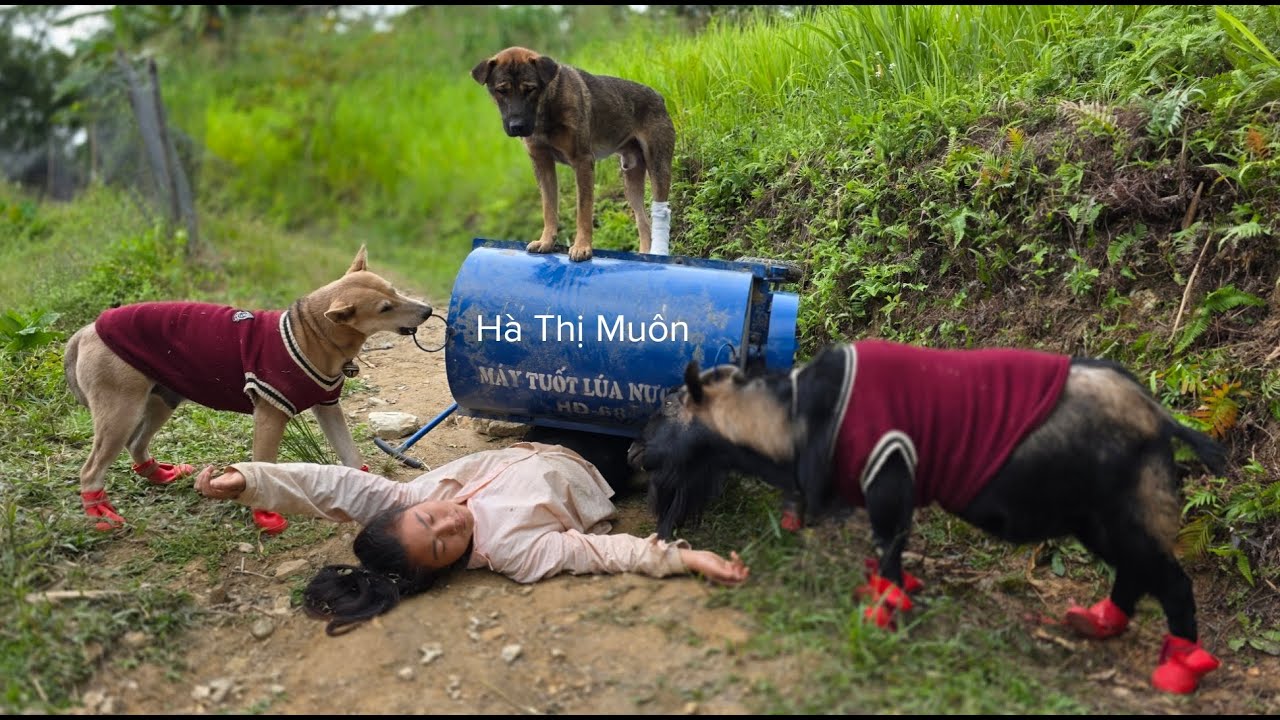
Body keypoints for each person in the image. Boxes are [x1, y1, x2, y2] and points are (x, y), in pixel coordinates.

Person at [193, 438, 750, 635]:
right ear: (449, 566)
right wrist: (687, 558)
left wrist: (250, 481)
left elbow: (333, 488)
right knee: (654, 442)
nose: (447, 522)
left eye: (430, 519)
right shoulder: (515, 551)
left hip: (537, 436)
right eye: (441, 544)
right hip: (596, 460)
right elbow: (603, 551)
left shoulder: (414, 499)